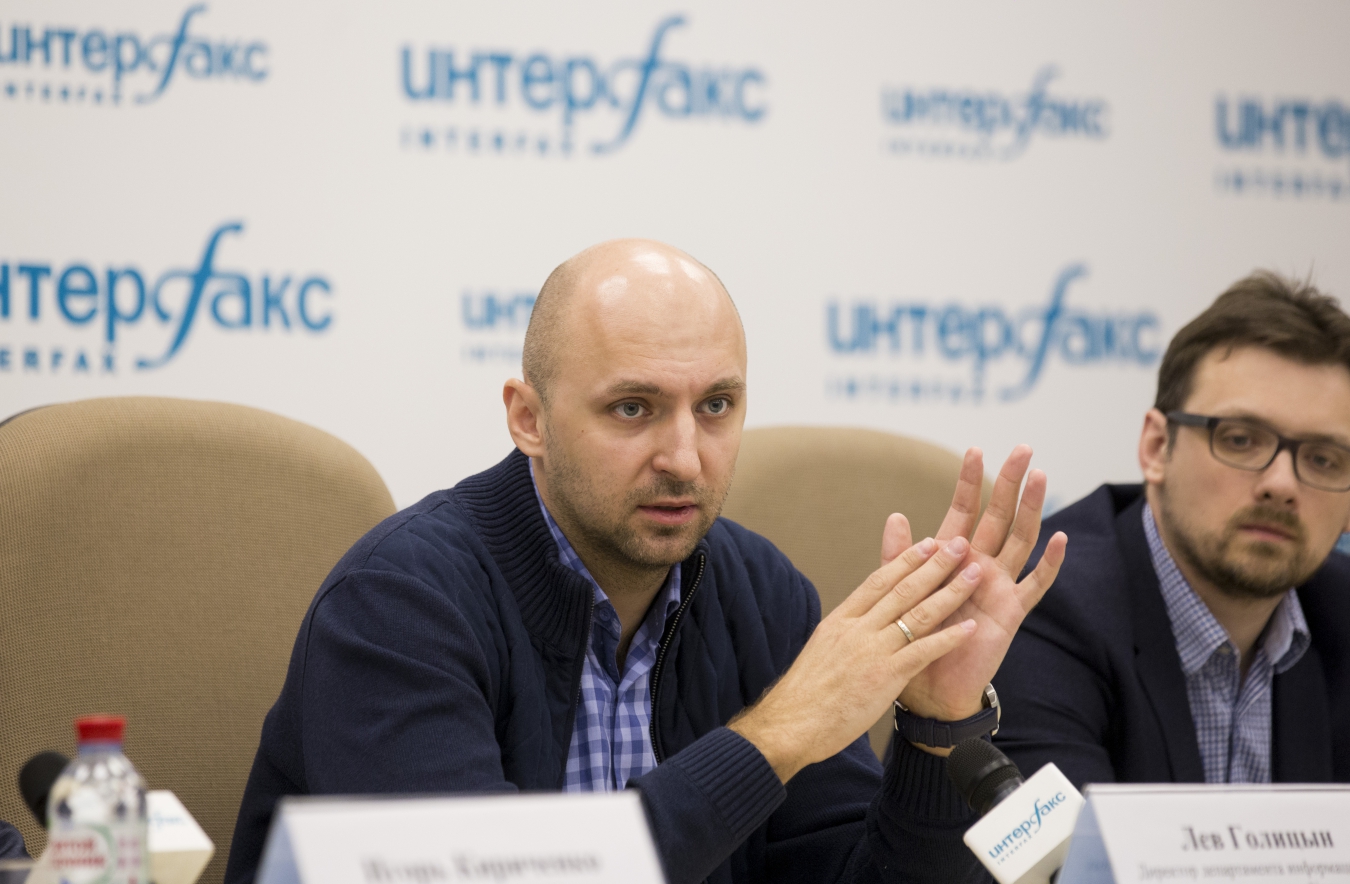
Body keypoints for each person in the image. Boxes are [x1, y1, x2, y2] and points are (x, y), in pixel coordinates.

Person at [226, 240, 1067, 884]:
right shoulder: (399, 603)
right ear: (528, 419)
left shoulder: (762, 593)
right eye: (633, 408)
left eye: (717, 405)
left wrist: (934, 727)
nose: (685, 458)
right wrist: (776, 735)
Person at [995, 272, 1350, 788]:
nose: (1281, 485)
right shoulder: (1037, 607)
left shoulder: (1340, 613)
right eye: (1240, 439)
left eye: (1323, 459)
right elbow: (1068, 842)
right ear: (1157, 448)